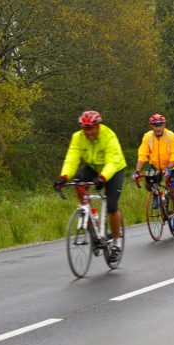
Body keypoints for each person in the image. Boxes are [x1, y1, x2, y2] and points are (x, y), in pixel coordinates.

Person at [53, 110, 126, 261]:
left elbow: (113, 161)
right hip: (93, 166)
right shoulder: (78, 137)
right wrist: (64, 177)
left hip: (114, 168)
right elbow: (72, 158)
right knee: (79, 183)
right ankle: (93, 216)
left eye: (92, 128)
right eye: (86, 129)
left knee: (112, 205)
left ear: (97, 125)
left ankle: (116, 243)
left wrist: (103, 177)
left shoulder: (108, 135)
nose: (89, 132)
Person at [131, 114, 174, 231]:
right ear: (151, 126)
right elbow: (143, 155)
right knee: (147, 183)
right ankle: (155, 194)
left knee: (173, 192)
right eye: (155, 125)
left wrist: (169, 168)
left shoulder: (171, 136)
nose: (158, 127)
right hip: (155, 165)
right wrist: (137, 171)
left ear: (164, 124)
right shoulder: (147, 137)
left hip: (171, 166)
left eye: (160, 124)